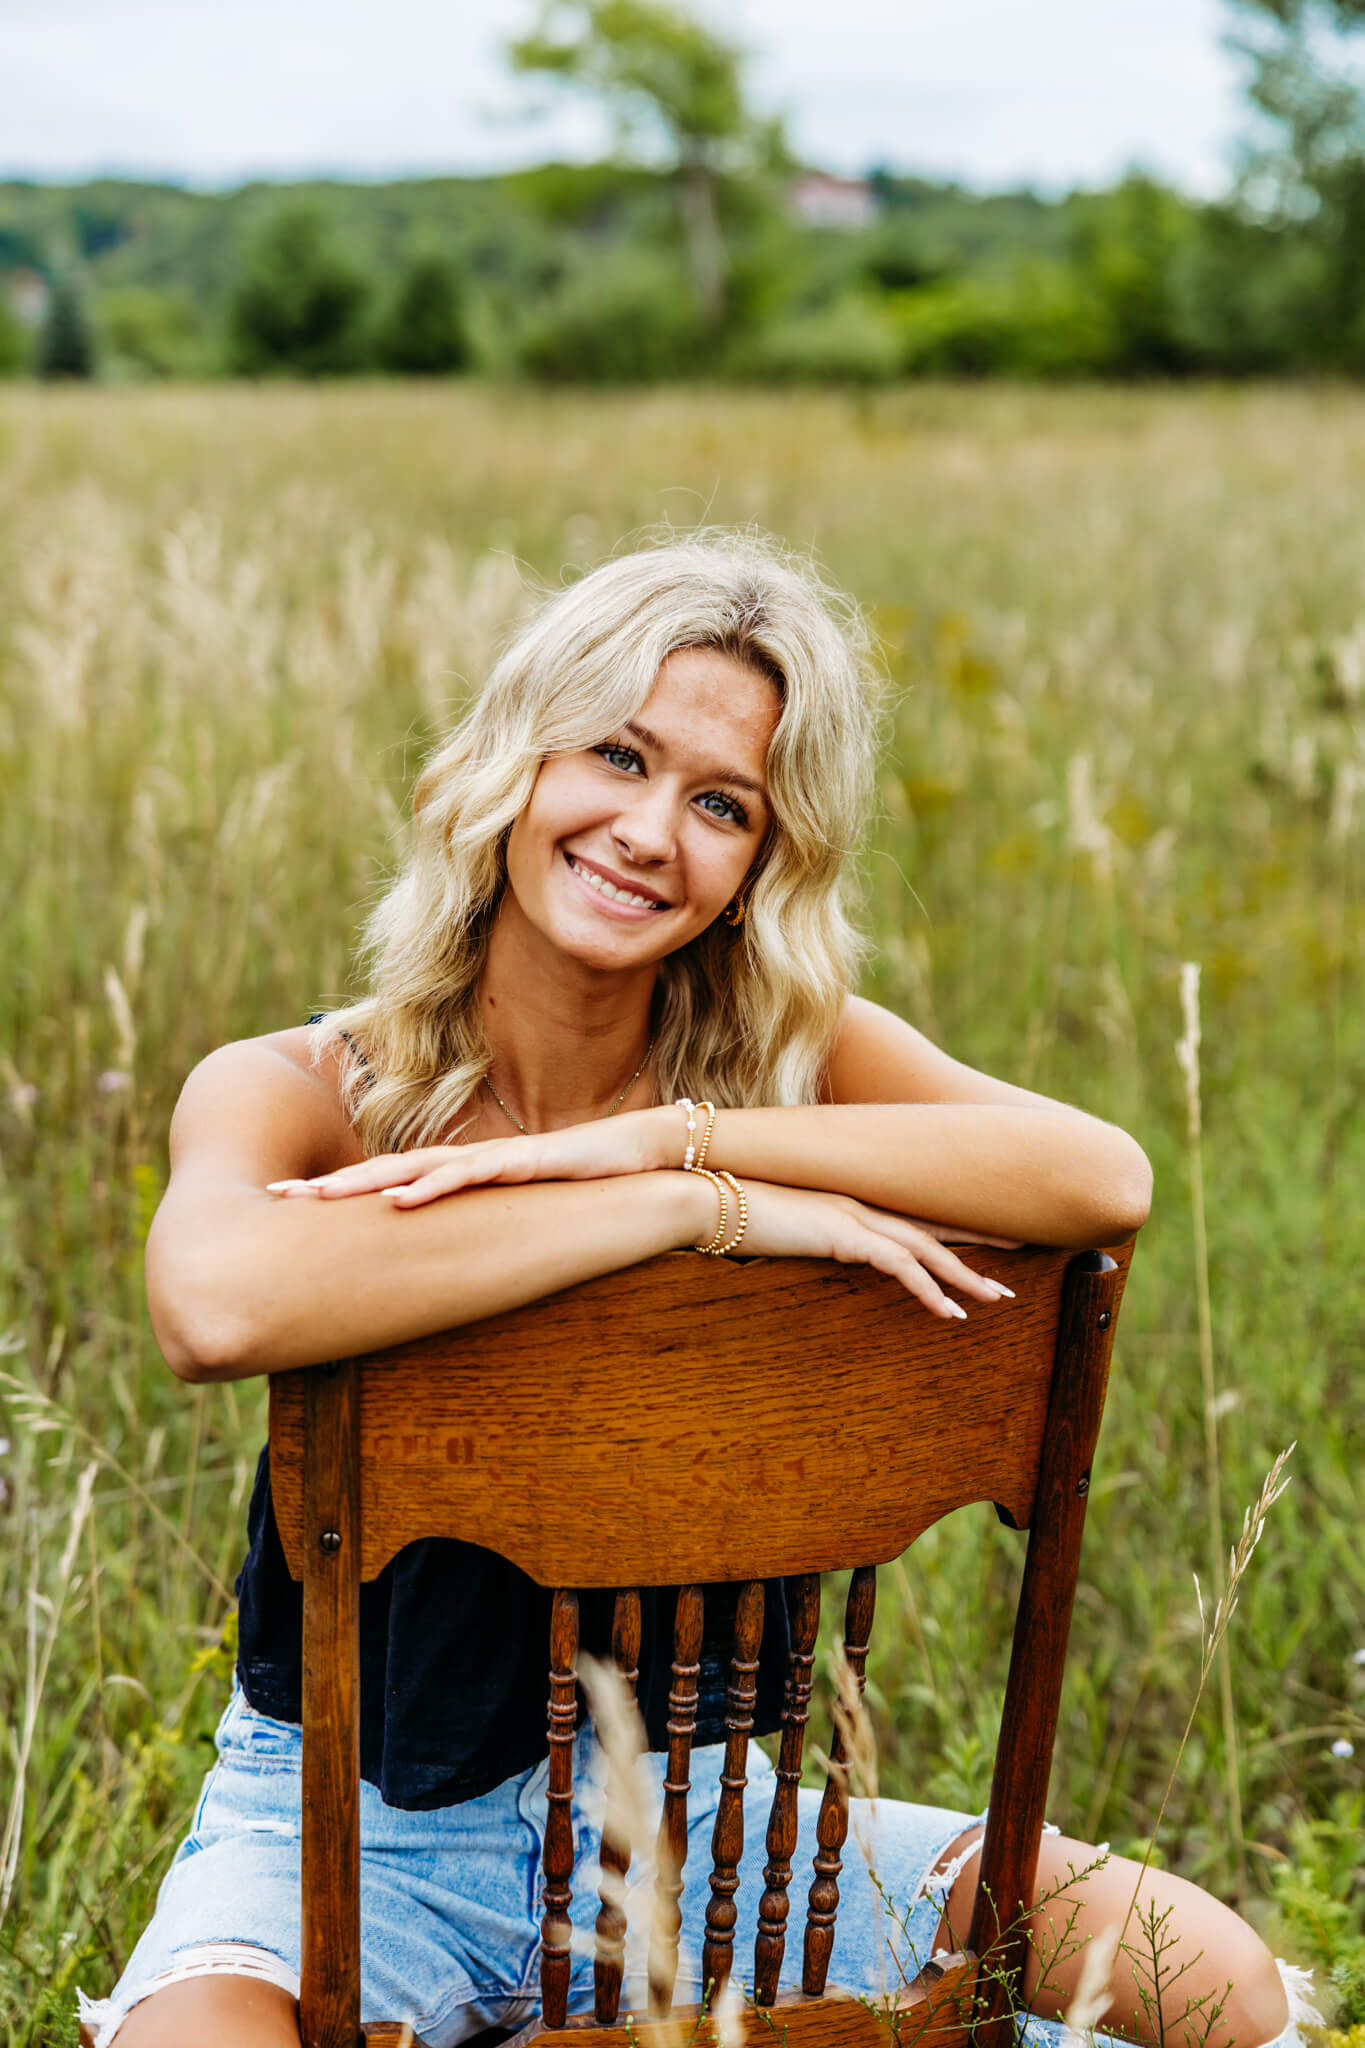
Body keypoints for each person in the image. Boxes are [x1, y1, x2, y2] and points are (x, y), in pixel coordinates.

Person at [81, 534, 1312, 2048]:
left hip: (701, 1831)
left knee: (1209, 1983)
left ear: (757, 867)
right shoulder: (307, 1088)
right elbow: (213, 1306)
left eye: (720, 804)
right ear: (512, 764)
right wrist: (672, 1212)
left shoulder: (784, 1069)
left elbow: (1096, 1174)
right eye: (616, 755)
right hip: (346, 1828)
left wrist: (684, 1136)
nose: (649, 831)